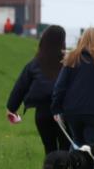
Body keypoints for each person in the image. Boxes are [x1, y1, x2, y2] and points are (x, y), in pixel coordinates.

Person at [5, 25, 69, 155]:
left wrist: (11, 108)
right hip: (65, 112)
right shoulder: (69, 63)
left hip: (42, 113)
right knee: (65, 149)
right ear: (63, 41)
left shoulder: (34, 63)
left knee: (49, 148)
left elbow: (20, 87)